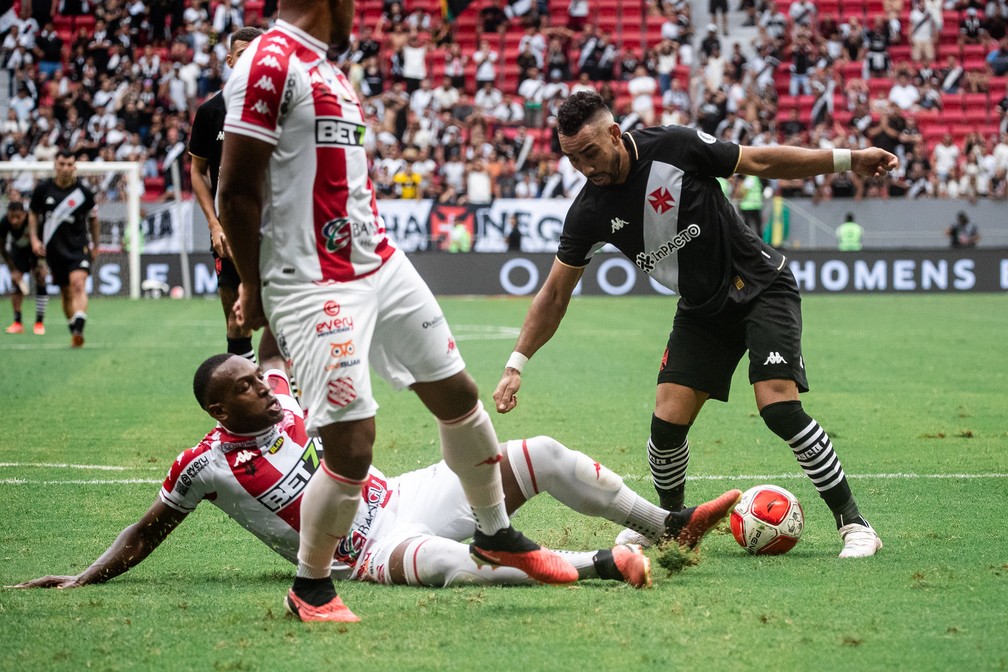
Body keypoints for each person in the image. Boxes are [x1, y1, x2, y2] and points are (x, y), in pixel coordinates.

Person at [217, 0, 576, 623]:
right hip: (313, 281)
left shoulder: (327, 69)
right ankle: (311, 586)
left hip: (380, 261)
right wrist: (251, 285)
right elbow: (236, 189)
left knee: (459, 396)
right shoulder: (267, 61)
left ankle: (493, 531)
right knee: (352, 445)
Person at [492, 91, 897, 560]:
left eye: (590, 153)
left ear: (615, 135)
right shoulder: (588, 211)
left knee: (778, 407)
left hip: (760, 286)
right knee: (666, 427)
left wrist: (848, 160)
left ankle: (854, 522)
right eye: (573, 159)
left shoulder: (676, 147)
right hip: (702, 310)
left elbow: (760, 161)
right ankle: (669, 524)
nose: (585, 167)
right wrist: (516, 363)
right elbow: (555, 294)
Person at [11, 353, 742, 594]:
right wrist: (84, 577)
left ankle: (669, 527)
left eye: (258, 379)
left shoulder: (285, 390)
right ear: (216, 404)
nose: (262, 387)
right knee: (449, 564)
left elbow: (278, 325)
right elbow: (148, 529)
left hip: (407, 493)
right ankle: (602, 567)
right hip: (363, 554)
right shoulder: (204, 465)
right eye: (244, 386)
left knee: (541, 451)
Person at [188, 26, 264, 364]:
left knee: (287, 320)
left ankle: (294, 406)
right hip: (228, 232)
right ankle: (250, 411)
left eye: (256, 53)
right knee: (236, 321)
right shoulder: (210, 112)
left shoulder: (281, 109)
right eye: (242, 54)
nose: (249, 60)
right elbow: (197, 171)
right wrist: (214, 224)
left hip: (273, 230)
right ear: (231, 60)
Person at [27, 149, 99, 348]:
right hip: (53, 250)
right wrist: (34, 239)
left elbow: (94, 219)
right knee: (66, 293)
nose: (66, 168)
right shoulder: (43, 190)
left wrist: (96, 245)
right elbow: (32, 214)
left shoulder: (84, 193)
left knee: (78, 285)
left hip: (78, 248)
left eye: (69, 165)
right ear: (55, 165)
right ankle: (74, 331)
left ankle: (79, 329)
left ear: (74, 167)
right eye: (62, 164)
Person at [1, 201, 49, 334]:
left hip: (37, 251)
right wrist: (13, 270)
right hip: (18, 251)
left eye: (17, 217)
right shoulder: (4, 222)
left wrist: (42, 262)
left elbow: (45, 240)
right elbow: (2, 248)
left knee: (41, 277)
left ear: (24, 214)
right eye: (11, 217)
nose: (14, 221)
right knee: (15, 283)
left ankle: (39, 322)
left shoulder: (35, 221)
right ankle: (17, 322)